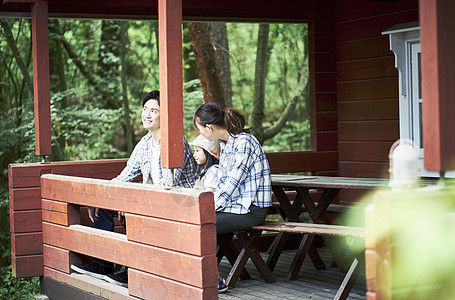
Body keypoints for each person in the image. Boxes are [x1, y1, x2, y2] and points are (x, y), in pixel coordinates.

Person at [71, 90, 195, 287]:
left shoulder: (175, 142)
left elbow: (167, 187)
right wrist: (104, 197)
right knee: (105, 206)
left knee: (136, 210)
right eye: (145, 109)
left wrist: (131, 201)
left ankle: (134, 270)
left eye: (154, 110)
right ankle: (103, 264)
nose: (147, 114)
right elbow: (125, 175)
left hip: (178, 206)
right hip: (152, 203)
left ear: (167, 114)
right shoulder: (145, 142)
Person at [193, 102, 272, 293]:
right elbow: (222, 185)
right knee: (193, 221)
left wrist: (205, 209)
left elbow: (230, 186)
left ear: (209, 128)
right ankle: (193, 276)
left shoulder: (244, 142)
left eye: (200, 130)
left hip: (251, 210)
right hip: (235, 207)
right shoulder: (227, 144)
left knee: (201, 225)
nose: (201, 135)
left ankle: (213, 281)